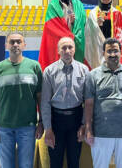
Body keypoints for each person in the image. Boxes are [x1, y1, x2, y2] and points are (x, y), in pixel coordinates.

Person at [84, 38, 122, 168]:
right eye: (109, 51)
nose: (112, 54)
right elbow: (88, 105)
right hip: (101, 133)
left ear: (121, 52)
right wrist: (88, 129)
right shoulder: (93, 75)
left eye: (115, 51)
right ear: (103, 53)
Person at [0, 33, 44, 168]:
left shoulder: (34, 67)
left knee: (27, 165)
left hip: (28, 127)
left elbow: (40, 98)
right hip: (4, 128)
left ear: (24, 45)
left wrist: (41, 123)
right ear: (6, 45)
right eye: (12, 42)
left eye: (19, 42)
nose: (15, 45)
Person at [41, 37, 89, 168]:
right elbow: (45, 102)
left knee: (74, 161)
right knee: (55, 161)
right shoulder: (49, 71)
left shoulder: (84, 70)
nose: (67, 51)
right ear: (58, 51)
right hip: (56, 121)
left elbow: (88, 101)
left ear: (74, 50)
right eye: (63, 48)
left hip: (76, 119)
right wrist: (48, 128)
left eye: (70, 47)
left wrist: (83, 124)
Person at [39, 0, 86, 70]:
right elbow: (51, 27)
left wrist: (73, 23)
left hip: (76, 43)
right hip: (59, 42)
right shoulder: (53, 5)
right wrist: (68, 33)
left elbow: (82, 24)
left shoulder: (78, 3)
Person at [84, 0, 122, 69]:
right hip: (97, 50)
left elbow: (121, 36)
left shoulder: (117, 13)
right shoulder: (92, 13)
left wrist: (113, 47)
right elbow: (88, 36)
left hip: (112, 50)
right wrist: (97, 26)